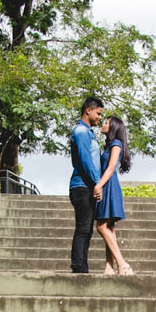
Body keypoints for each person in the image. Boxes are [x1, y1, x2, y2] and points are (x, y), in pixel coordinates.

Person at [94, 116, 134, 275]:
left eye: (106, 123)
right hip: (107, 183)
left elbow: (111, 168)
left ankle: (122, 264)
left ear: (113, 127)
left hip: (109, 184)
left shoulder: (116, 144)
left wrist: (99, 185)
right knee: (109, 227)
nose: (102, 124)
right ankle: (109, 266)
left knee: (101, 226)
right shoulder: (109, 145)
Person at [68, 96, 104, 273]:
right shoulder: (81, 131)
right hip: (82, 186)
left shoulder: (88, 132)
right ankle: (78, 266)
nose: (100, 118)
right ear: (88, 110)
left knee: (86, 228)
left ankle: (82, 266)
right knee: (83, 228)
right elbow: (85, 160)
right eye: (98, 113)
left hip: (87, 186)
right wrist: (97, 183)